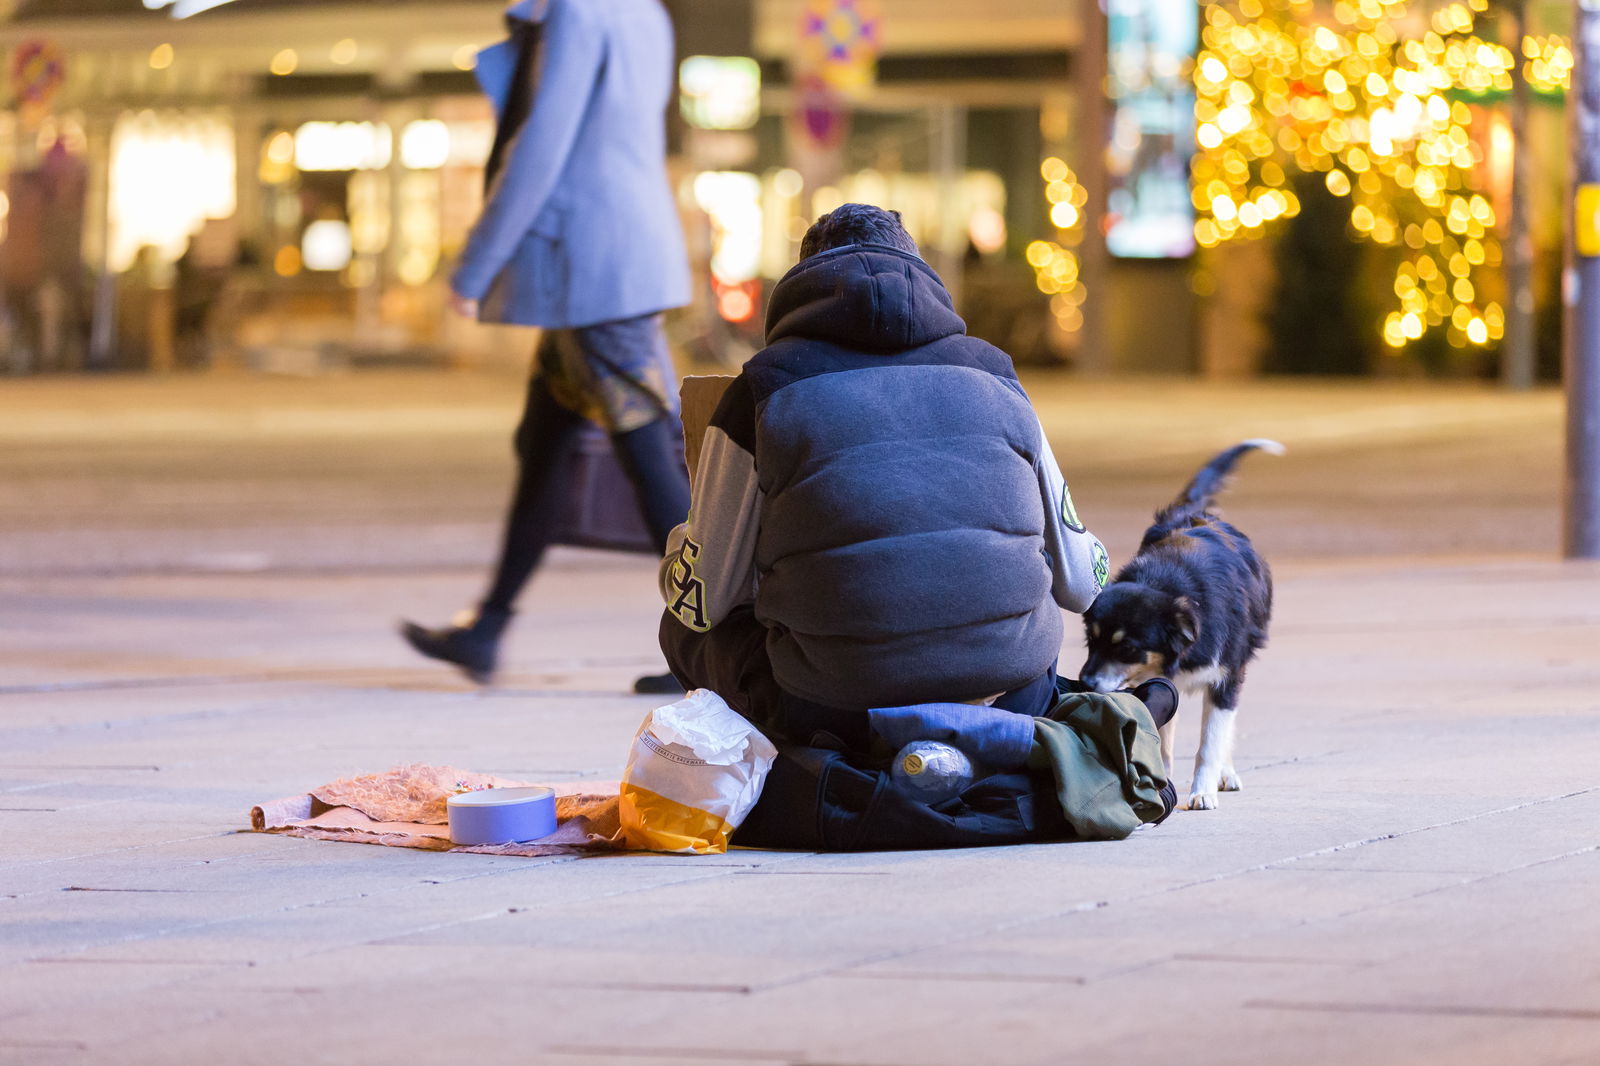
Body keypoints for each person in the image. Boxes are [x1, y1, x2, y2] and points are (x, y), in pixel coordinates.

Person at [657, 203, 1173, 754]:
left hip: (836, 714)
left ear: (803, 282)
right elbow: (1082, 584)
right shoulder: (995, 375)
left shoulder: (760, 390)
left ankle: (789, 766)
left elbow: (703, 599)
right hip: (1013, 699)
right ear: (920, 272)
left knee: (681, 629)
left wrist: (679, 549)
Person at [400, 0, 692, 686]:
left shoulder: (581, 12)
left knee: (653, 461)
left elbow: (542, 145)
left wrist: (476, 263)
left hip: (592, 269)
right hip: (601, 263)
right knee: (545, 447)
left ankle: (717, 646)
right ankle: (490, 625)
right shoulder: (640, 8)